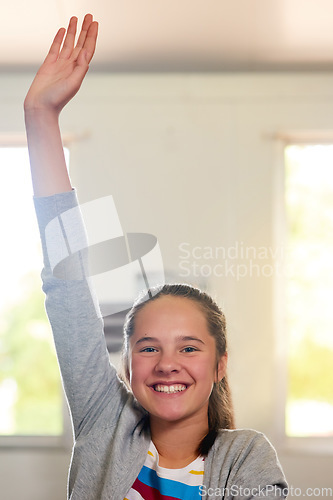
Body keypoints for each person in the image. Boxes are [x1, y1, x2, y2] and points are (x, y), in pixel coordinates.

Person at [24, 14, 288, 500]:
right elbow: (67, 284)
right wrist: (41, 117)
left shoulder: (246, 456)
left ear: (220, 365)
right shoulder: (106, 421)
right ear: (126, 366)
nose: (167, 363)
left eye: (189, 348)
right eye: (149, 348)